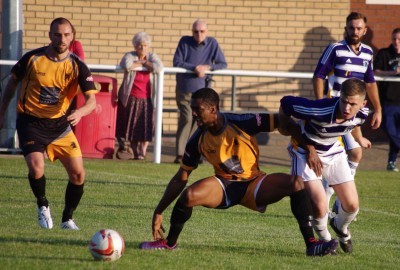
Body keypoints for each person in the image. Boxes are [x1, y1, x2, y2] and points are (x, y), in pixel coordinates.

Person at [138, 87, 338, 256]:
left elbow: (282, 121)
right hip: (224, 185)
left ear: (213, 109)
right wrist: (158, 211)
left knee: (296, 183)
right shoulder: (197, 140)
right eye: (192, 109)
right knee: (188, 196)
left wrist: (309, 148)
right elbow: (180, 179)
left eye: (198, 109)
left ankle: (311, 244)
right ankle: (169, 243)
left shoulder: (241, 121)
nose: (194, 114)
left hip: (254, 183)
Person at [0, 17, 97, 230]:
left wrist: (80, 112)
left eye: (66, 34)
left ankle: (67, 219)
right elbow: (12, 82)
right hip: (30, 122)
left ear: (72, 36)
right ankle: (43, 205)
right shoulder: (32, 58)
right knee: (36, 169)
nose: (62, 39)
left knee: (79, 175)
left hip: (59, 127)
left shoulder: (77, 65)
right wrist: (2, 111)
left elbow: (92, 101)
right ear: (50, 35)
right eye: (57, 34)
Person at [279, 78, 370, 253]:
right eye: (344, 101)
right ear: (339, 96)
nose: (347, 108)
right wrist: (284, 127)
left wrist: (359, 139)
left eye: (353, 104)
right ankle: (327, 242)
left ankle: (340, 227)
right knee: (320, 205)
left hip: (333, 152)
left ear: (363, 103)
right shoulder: (320, 110)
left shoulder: (362, 113)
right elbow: (286, 103)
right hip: (305, 154)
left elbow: (356, 123)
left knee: (352, 206)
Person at [313, 12, 382, 214]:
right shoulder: (335, 49)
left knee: (354, 153)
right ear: (346, 28)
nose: (355, 31)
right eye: (351, 28)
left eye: (359, 28)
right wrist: (319, 105)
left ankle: (329, 200)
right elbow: (318, 76)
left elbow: (369, 82)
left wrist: (378, 109)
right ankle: (327, 201)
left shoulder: (368, 53)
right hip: (336, 110)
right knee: (349, 153)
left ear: (365, 31)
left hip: (354, 113)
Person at [173, 19, 227, 164]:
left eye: (202, 31)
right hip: (185, 89)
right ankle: (180, 154)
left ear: (206, 32)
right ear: (192, 32)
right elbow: (177, 62)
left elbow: (223, 64)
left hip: (203, 93)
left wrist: (207, 67)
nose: (198, 34)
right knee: (186, 118)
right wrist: (195, 67)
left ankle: (193, 154)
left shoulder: (212, 43)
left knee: (200, 122)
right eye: (195, 31)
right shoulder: (184, 41)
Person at [115, 32, 163, 160]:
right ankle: (136, 153)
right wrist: (144, 64)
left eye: (145, 45)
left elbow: (159, 68)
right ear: (135, 46)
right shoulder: (130, 55)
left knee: (147, 127)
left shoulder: (152, 56)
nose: (142, 48)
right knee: (132, 127)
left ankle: (143, 152)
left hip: (148, 98)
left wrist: (143, 63)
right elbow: (126, 65)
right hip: (131, 97)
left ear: (149, 46)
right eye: (140, 45)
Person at [373, 28, 400, 172]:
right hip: (388, 101)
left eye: (399, 39)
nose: (396, 42)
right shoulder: (384, 53)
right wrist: (393, 72)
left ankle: (391, 162)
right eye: (394, 38)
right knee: (390, 130)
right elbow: (375, 71)